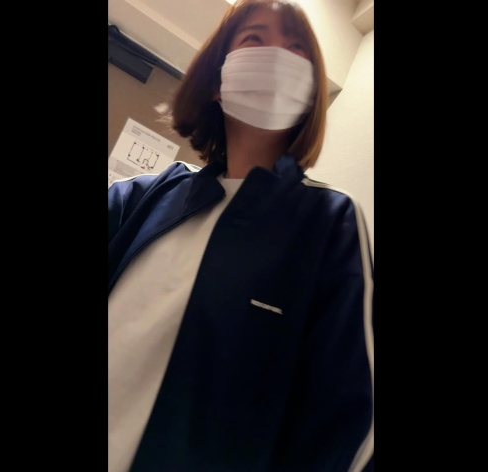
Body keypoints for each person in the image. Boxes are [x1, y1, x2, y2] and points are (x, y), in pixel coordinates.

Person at [107, 1, 374, 470]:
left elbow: (348, 424)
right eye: (254, 38)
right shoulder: (139, 198)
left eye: (297, 48)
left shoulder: (331, 223)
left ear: (311, 91)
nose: (278, 56)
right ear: (217, 81)